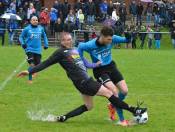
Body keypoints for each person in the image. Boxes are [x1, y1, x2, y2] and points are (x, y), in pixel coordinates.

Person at [17, 32, 147, 124]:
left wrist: (94, 65)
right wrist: (29, 71)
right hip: (84, 82)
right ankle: (134, 110)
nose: (68, 41)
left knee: (89, 106)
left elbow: (84, 63)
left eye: (69, 39)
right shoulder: (60, 53)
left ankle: (63, 118)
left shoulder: (74, 50)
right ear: (61, 42)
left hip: (82, 82)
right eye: (65, 40)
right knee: (110, 93)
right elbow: (45, 63)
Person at [78, 26, 132, 126]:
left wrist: (129, 36)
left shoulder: (113, 38)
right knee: (114, 92)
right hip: (100, 70)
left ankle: (112, 105)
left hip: (111, 66)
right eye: (108, 39)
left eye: (111, 39)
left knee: (124, 91)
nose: (110, 41)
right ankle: (122, 120)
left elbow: (126, 40)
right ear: (102, 36)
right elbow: (80, 48)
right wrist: (87, 64)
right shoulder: (90, 45)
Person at [19, 16, 48, 83]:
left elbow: (45, 36)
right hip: (29, 49)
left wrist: (46, 44)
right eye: (34, 20)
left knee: (38, 66)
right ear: (31, 21)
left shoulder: (41, 28)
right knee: (31, 64)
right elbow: (21, 37)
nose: (35, 21)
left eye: (36, 20)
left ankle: (26, 73)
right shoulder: (27, 29)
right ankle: (30, 80)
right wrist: (23, 43)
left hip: (38, 50)